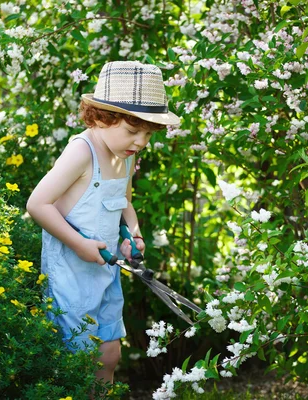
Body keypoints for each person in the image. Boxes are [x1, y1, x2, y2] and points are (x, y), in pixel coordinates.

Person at [26, 60, 180, 385]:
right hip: (70, 273)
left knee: (109, 354)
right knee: (78, 357)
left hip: (107, 271)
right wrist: (80, 244)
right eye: (132, 131)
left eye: (148, 134)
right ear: (101, 117)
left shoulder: (125, 156)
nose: (140, 142)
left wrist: (133, 236)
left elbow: (125, 204)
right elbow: (38, 204)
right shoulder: (82, 152)